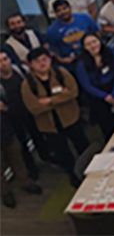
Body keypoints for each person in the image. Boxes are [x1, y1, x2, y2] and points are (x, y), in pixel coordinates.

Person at [20, 48, 89, 186]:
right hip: (50, 127)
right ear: (30, 64)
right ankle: (74, 178)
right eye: (37, 61)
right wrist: (62, 98)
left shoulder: (61, 73)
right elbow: (34, 108)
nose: (42, 63)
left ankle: (91, 171)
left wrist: (49, 100)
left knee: (83, 147)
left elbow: (73, 92)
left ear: (50, 59)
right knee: (64, 155)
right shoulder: (27, 84)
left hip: (71, 119)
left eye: (44, 59)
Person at [0, 52, 44, 208]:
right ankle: (6, 193)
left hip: (6, 129)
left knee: (17, 158)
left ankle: (25, 182)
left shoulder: (18, 71)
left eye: (4, 60)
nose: (3, 63)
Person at [74, 33, 114, 140]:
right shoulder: (81, 63)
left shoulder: (110, 53)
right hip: (98, 96)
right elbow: (86, 85)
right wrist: (105, 96)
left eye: (94, 42)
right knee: (108, 126)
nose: (93, 45)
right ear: (84, 47)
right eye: (88, 44)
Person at [46, 0, 99, 68]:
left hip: (92, 56)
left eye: (65, 8)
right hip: (72, 64)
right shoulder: (52, 30)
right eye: (58, 11)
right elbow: (53, 50)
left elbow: (97, 34)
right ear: (55, 14)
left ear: (70, 8)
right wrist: (62, 60)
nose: (63, 12)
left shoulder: (85, 18)